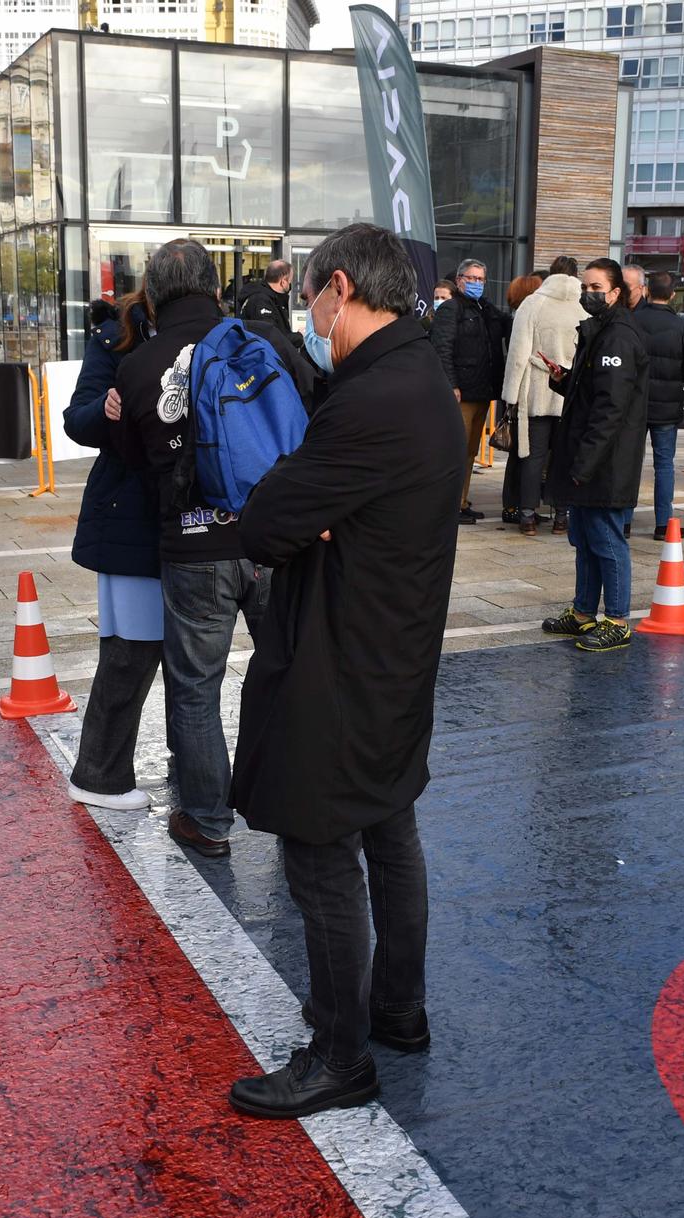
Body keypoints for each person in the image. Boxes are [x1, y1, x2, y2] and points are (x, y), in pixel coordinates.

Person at [226, 222, 464, 1119]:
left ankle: (339, 1051)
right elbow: (303, 508)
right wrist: (309, 505)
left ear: (339, 288)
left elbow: (268, 520)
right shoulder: (417, 378)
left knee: (322, 849)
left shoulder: (372, 397)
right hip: (395, 652)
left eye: (315, 299)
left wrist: (300, 504)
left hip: (341, 656)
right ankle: (395, 1009)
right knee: (389, 828)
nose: (311, 314)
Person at [110, 237, 313, 859]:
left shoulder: (139, 367)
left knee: (196, 685)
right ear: (214, 286)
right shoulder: (264, 343)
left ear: (156, 291)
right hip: (272, 537)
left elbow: (133, 467)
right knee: (289, 671)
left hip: (194, 544)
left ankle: (206, 819)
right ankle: (299, 806)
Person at [62, 292, 161, 810]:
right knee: (130, 651)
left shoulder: (218, 334)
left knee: (194, 660)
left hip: (197, 515)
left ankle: (192, 764)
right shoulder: (115, 337)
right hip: (129, 514)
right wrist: (104, 407)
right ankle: (99, 774)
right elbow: (76, 420)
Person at [539, 259, 649, 652]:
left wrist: (584, 463)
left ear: (616, 293)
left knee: (606, 539)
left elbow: (610, 408)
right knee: (584, 539)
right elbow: (592, 391)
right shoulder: (599, 331)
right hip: (588, 457)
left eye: (597, 287)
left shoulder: (618, 335)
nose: (588, 293)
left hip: (606, 461)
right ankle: (583, 612)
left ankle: (617, 620)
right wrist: (564, 380)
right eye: (585, 286)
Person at [500, 256, 584, 539]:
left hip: (536, 388)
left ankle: (527, 517)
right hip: (570, 391)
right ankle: (562, 517)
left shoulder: (533, 303)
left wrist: (510, 395)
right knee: (563, 456)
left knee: (532, 456)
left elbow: (518, 353)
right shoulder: (582, 307)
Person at [429, 258, 511, 524]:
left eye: (480, 279)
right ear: (459, 280)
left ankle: (460, 502)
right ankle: (447, 506)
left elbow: (507, 325)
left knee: (469, 452)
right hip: (460, 393)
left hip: (481, 392)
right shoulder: (450, 310)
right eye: (471, 278)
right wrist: (451, 384)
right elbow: (442, 348)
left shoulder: (486, 310)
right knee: (455, 451)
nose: (476, 283)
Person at [630, 269, 684, 541]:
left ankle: (624, 520)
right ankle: (663, 523)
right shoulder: (682, 327)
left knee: (630, 462)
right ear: (673, 295)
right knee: (664, 464)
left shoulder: (632, 321)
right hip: (667, 406)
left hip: (634, 405)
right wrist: (675, 379)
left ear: (647, 291)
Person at [496, 272, 543, 527]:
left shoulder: (514, 318)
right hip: (519, 391)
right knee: (518, 452)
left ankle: (514, 504)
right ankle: (512, 505)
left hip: (515, 389)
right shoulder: (522, 319)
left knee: (519, 452)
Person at [236, 259, 293, 335]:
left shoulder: (272, 299)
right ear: (283, 282)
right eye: (290, 281)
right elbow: (271, 336)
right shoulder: (261, 301)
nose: (290, 285)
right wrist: (299, 337)